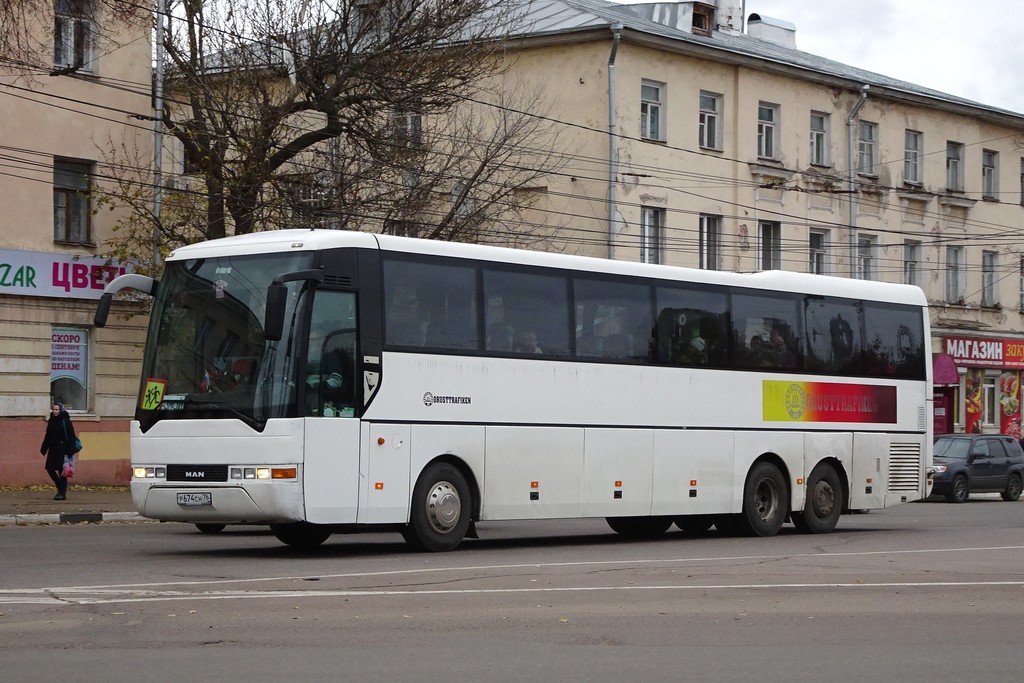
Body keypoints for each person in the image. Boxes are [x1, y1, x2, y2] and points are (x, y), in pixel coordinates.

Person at [40, 402, 77, 500]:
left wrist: (70, 450)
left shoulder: (65, 421)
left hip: (63, 449)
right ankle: (60, 487)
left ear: (61, 410)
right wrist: (44, 448)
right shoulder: (51, 420)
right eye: (54, 409)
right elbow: (48, 435)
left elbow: (71, 436)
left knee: (62, 471)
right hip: (53, 449)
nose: (55, 411)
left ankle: (62, 493)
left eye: (57, 409)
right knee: (50, 468)